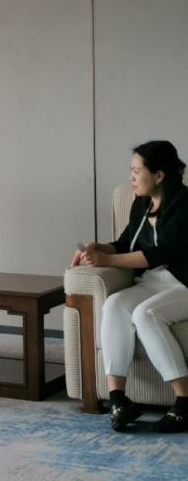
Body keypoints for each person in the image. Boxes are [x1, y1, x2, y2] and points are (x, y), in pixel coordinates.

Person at [71, 140, 188, 432]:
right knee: (114, 305)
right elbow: (126, 243)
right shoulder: (141, 204)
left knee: (145, 314)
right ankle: (119, 400)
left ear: (158, 175)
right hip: (155, 282)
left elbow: (160, 253)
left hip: (184, 282)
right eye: (131, 171)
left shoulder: (185, 204)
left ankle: (184, 403)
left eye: (137, 171)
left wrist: (107, 259)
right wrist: (98, 247)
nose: (131, 177)